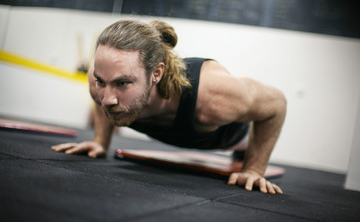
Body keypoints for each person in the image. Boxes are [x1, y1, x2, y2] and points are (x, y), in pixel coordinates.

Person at [52, 20, 286, 194]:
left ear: (156, 73)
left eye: (122, 83)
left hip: (232, 136)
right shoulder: (99, 83)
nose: (107, 99)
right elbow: (102, 94)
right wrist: (100, 141)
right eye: (102, 81)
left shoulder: (213, 95)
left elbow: (276, 104)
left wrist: (254, 169)